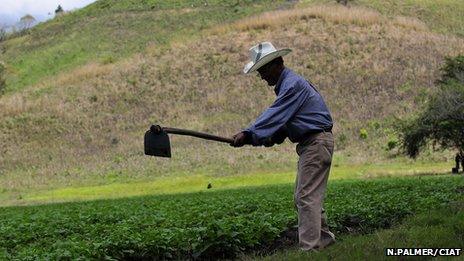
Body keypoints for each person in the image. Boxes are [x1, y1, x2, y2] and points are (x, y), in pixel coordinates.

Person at [230, 42, 335, 251]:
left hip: (315, 143)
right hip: (312, 144)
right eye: (260, 71)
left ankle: (310, 249)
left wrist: (249, 133)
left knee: (306, 196)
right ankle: (323, 241)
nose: (262, 75)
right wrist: (263, 138)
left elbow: (275, 114)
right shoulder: (289, 86)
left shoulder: (292, 85)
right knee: (304, 196)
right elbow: (283, 125)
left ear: (279, 63)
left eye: (265, 69)